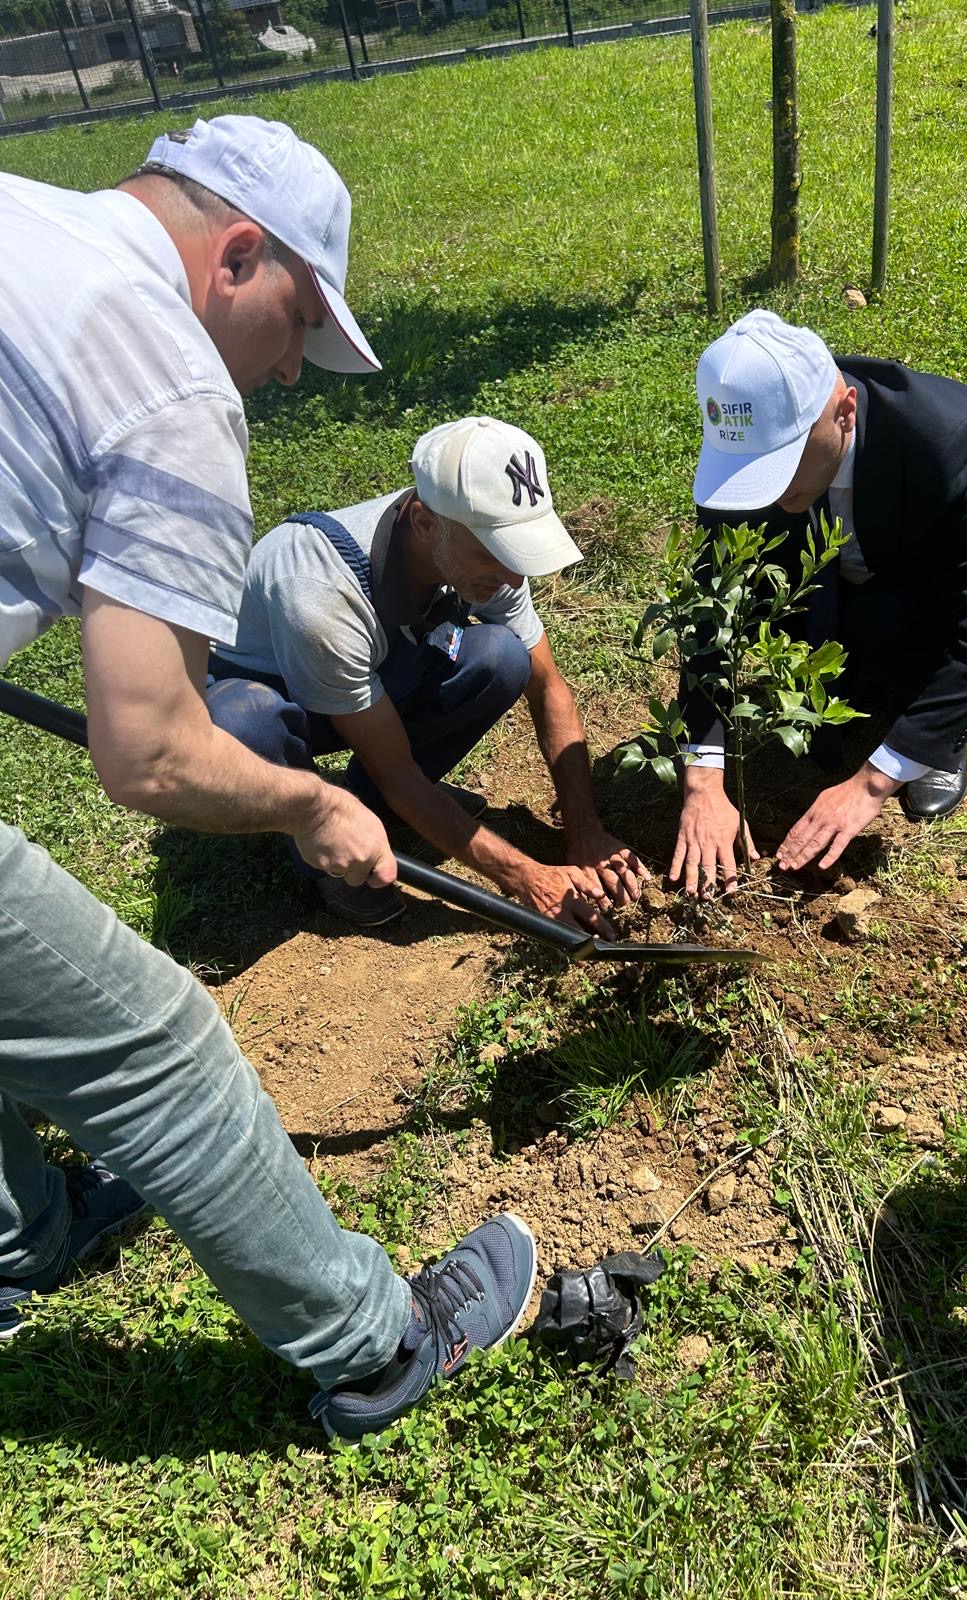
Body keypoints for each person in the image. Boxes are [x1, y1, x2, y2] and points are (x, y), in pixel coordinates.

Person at [0, 114, 536, 1443]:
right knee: (153, 1041)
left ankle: (27, 1230)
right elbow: (150, 747)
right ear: (238, 253)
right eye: (298, 326)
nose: (290, 374)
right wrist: (313, 801)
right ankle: (373, 1344)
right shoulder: (167, 374)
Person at [671, 309, 967, 893]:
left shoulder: (955, 439)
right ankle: (869, 668)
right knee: (852, 645)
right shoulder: (742, 465)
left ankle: (936, 737)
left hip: (945, 567)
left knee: (918, 642)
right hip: (845, 563)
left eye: (780, 466)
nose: (768, 493)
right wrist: (703, 780)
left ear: (845, 411)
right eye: (751, 473)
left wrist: (873, 783)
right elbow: (714, 610)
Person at [207, 415, 649, 929]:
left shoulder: (473, 538)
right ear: (422, 522)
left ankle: (372, 807)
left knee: (504, 657)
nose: (512, 575)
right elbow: (399, 774)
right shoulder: (320, 592)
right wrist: (525, 876)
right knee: (244, 722)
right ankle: (330, 854)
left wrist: (584, 828)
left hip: (364, 672)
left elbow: (547, 685)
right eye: (495, 553)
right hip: (274, 692)